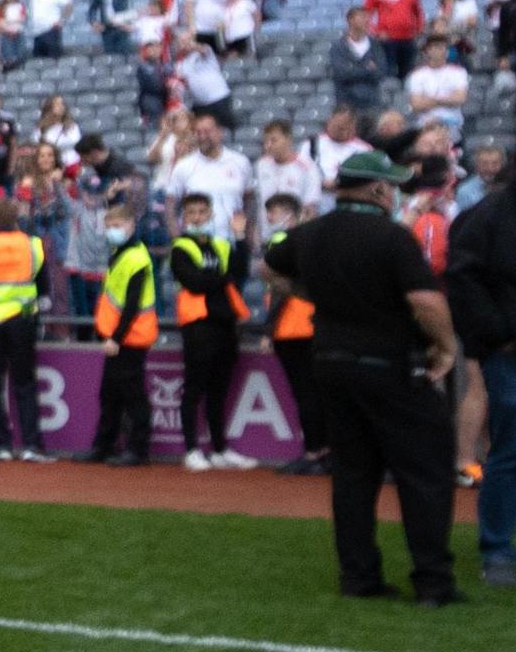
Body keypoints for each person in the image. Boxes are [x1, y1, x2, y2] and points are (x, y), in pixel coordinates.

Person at [265, 150, 463, 605]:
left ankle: (358, 577)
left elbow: (269, 267)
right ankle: (432, 582)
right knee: (424, 472)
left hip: (330, 362)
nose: (394, 193)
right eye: (390, 187)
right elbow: (427, 303)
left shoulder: (309, 234)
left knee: (354, 474)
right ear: (377, 190)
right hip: (387, 365)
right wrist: (446, 347)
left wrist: (310, 293)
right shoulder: (392, 238)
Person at [443, 121, 516, 586]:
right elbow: (464, 275)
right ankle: (497, 550)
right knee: (512, 451)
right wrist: (497, 333)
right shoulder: (497, 212)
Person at [170, 193, 254, 471]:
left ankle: (219, 449)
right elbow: (194, 283)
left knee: (219, 390)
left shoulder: (221, 245)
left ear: (210, 215)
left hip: (224, 323)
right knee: (194, 388)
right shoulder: (181, 248)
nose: (197, 218)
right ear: (184, 218)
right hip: (198, 325)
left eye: (202, 212)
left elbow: (240, 271)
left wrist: (240, 237)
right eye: (192, 213)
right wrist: (223, 278)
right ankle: (192, 449)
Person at [0, 198, 50, 461]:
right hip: (23, 320)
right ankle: (31, 446)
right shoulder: (32, 244)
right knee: (24, 382)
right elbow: (44, 284)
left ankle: (2, 446)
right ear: (16, 219)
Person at [78, 202, 158, 465]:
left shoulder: (135, 257)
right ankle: (104, 446)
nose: (113, 230)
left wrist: (116, 338)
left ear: (131, 225)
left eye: (118, 226)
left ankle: (138, 449)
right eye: (109, 226)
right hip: (121, 336)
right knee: (109, 394)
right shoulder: (122, 254)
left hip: (130, 338)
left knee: (132, 396)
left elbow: (133, 304)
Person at [261, 194, 328, 477]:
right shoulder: (321, 246)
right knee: (319, 392)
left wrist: (268, 330)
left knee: (305, 393)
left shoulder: (284, 243)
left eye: (276, 213)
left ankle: (315, 451)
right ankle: (325, 450)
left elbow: (278, 289)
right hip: (314, 325)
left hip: (292, 327)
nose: (272, 219)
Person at [365, 0, 425, 81]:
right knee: (390, 73)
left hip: (408, 38)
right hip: (388, 40)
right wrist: (375, 32)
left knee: (408, 73)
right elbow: (366, 15)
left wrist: (419, 29)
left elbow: (418, 12)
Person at [329, 6, 389, 118]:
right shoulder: (338, 47)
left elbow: (380, 73)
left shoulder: (375, 45)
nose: (366, 20)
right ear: (350, 20)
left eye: (368, 17)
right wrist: (367, 69)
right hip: (347, 106)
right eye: (362, 17)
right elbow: (342, 74)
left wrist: (354, 69)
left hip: (372, 105)